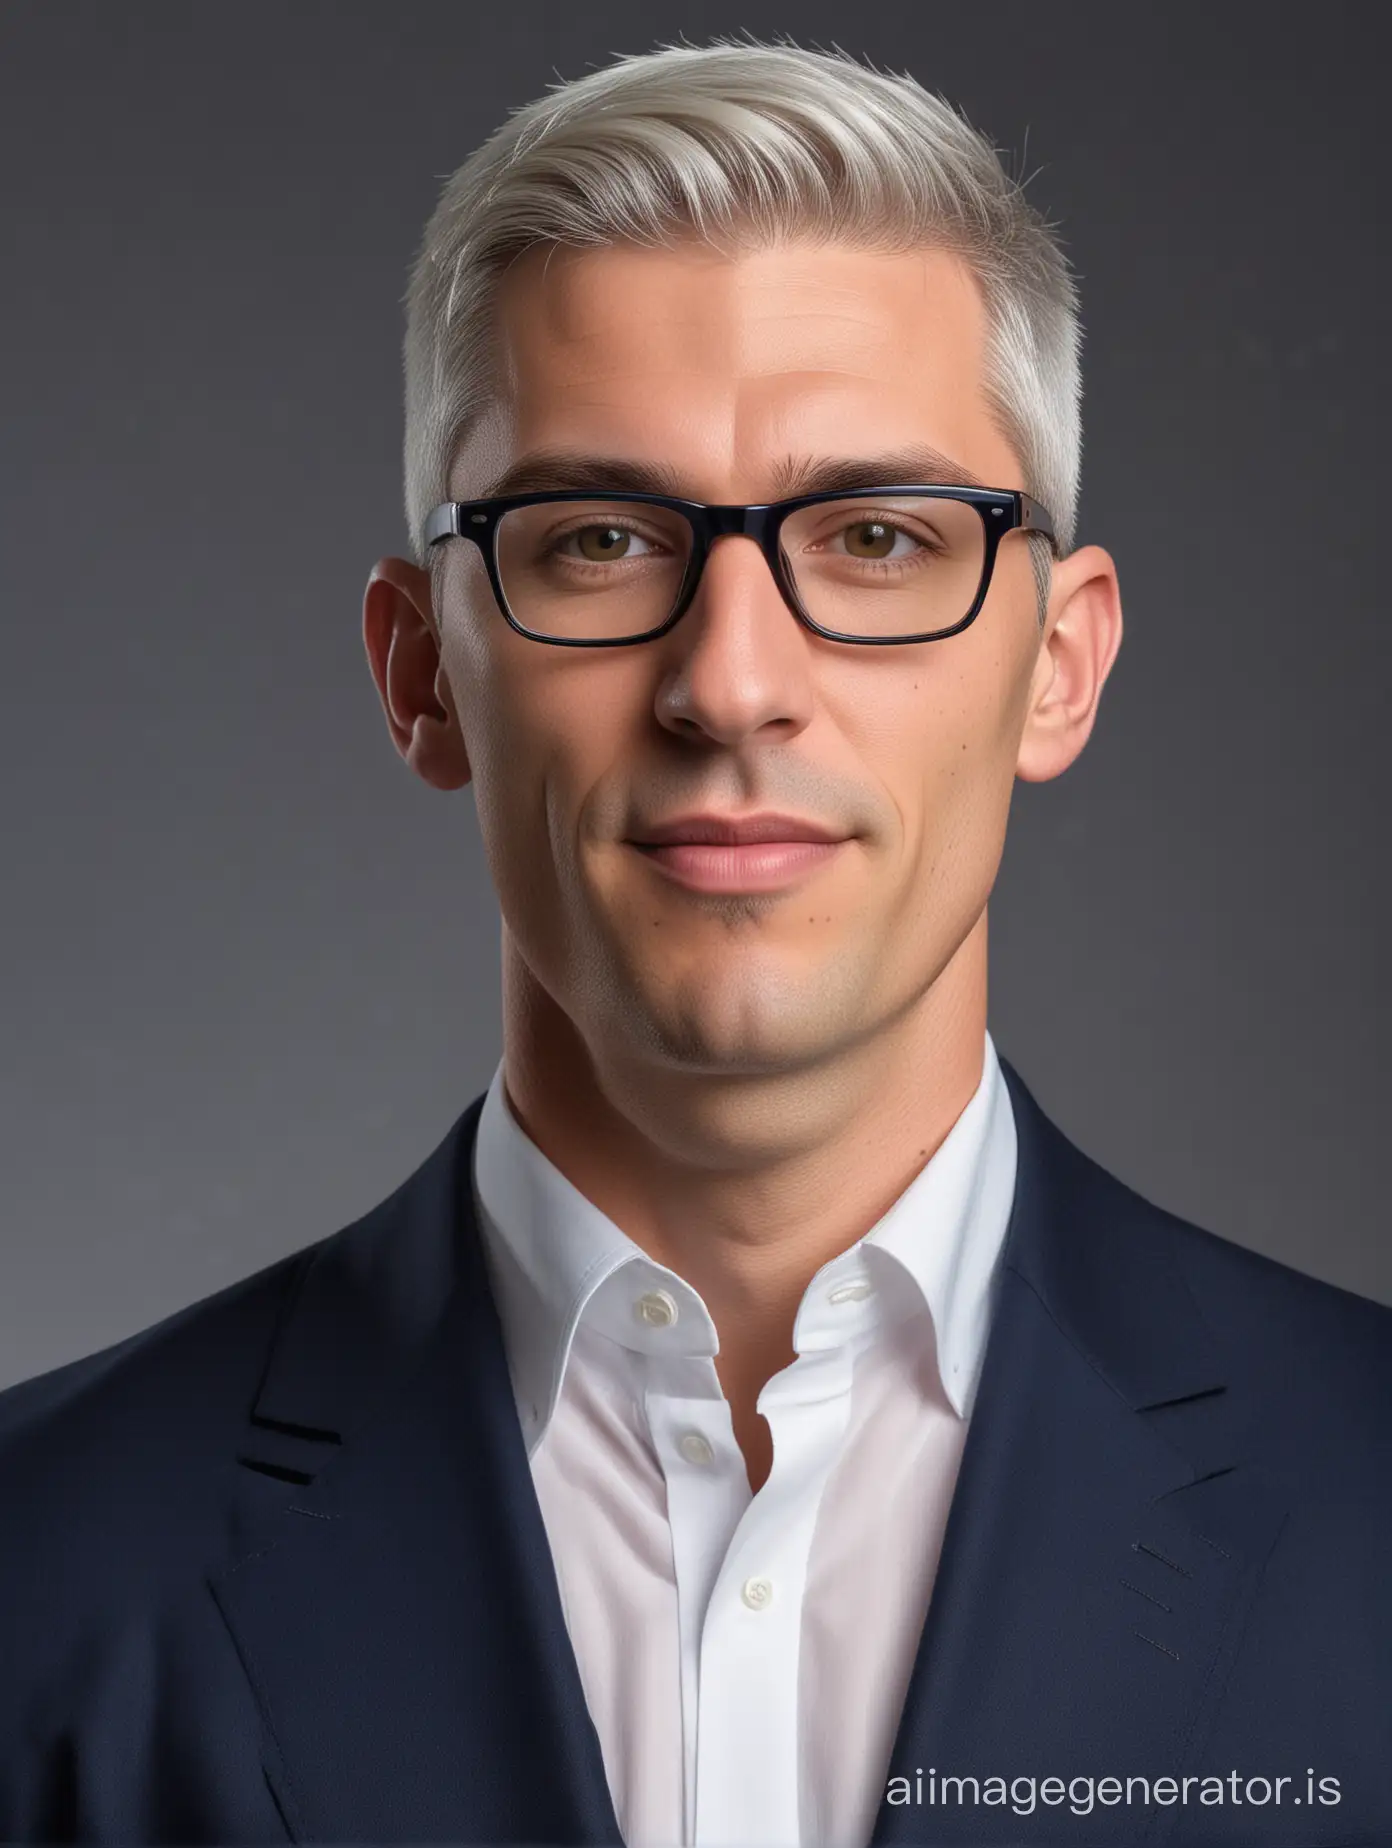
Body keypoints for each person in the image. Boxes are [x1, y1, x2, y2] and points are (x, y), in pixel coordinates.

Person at [1, 36, 1388, 1848]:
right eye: (597, 541)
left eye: (880, 536)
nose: (733, 682)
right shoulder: (38, 1576)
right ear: (423, 673)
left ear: (1060, 662)